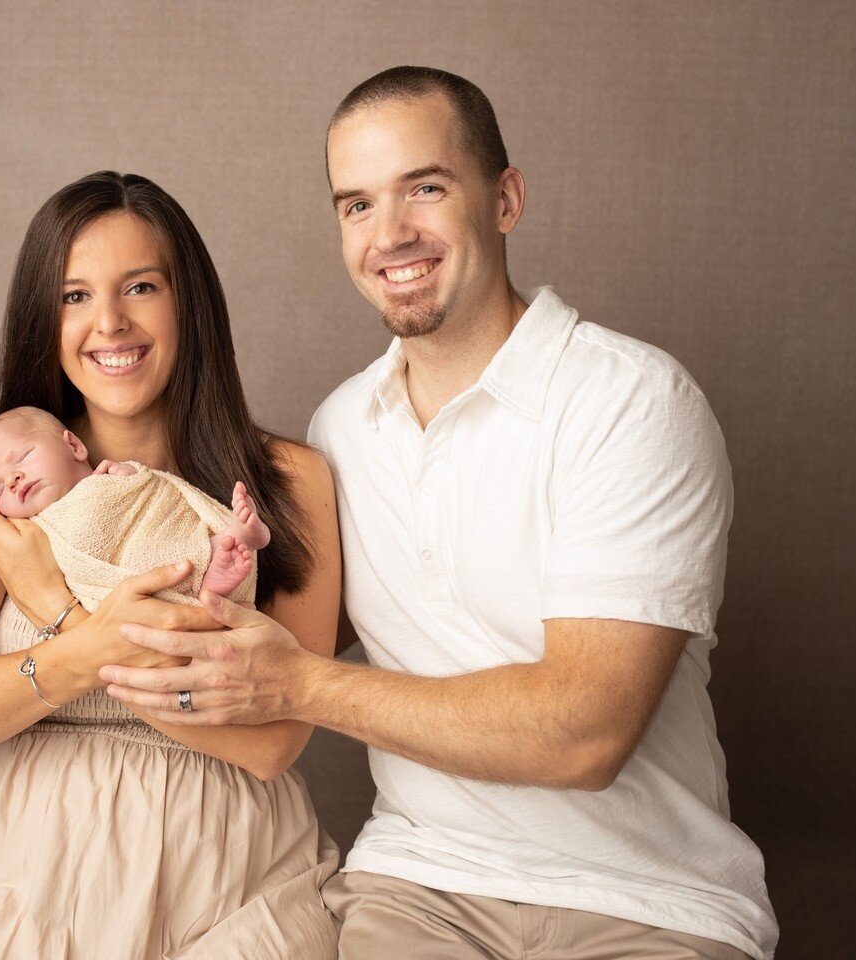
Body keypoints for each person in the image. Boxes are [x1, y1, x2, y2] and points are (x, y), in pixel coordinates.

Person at [100, 67, 780, 959]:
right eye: (356, 205)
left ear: (505, 199)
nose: (390, 236)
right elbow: (259, 636)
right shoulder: (339, 428)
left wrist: (300, 684)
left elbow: (586, 732)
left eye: (425, 188)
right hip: (422, 890)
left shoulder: (630, 402)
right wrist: (74, 533)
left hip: (648, 901)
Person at [0, 171, 341, 959]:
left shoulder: (290, 480)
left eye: (140, 286)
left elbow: (271, 744)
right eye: (73, 297)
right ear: (45, 316)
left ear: (186, 302)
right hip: (36, 890)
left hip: (234, 887)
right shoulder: (3, 476)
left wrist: (67, 619)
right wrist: (81, 653)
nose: (109, 323)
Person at [0, 405, 269, 599]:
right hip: (126, 575)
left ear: (73, 445)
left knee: (168, 527)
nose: (12, 479)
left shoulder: (111, 477)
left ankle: (228, 536)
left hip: (154, 526)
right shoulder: (37, 531)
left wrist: (132, 477)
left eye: (22, 457)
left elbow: (156, 492)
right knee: (137, 562)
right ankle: (208, 566)